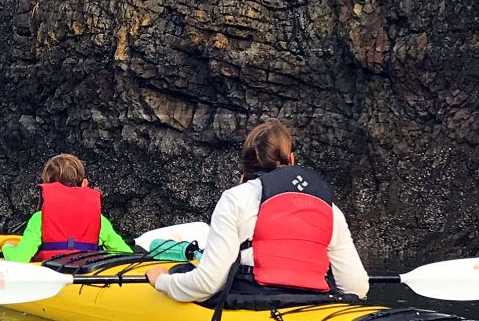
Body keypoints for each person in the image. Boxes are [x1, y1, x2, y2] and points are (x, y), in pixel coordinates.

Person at [145, 120, 368, 304]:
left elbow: (207, 285)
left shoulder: (236, 199)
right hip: (317, 305)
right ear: (291, 160)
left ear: (246, 165)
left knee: (181, 271)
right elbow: (356, 287)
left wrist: (164, 281)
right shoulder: (330, 209)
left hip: (255, 302)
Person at [2, 153, 137, 262]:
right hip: (87, 277)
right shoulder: (98, 220)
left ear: (46, 187)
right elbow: (126, 254)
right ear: (84, 183)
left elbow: (19, 258)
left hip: (54, 277)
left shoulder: (40, 219)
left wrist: (6, 247)